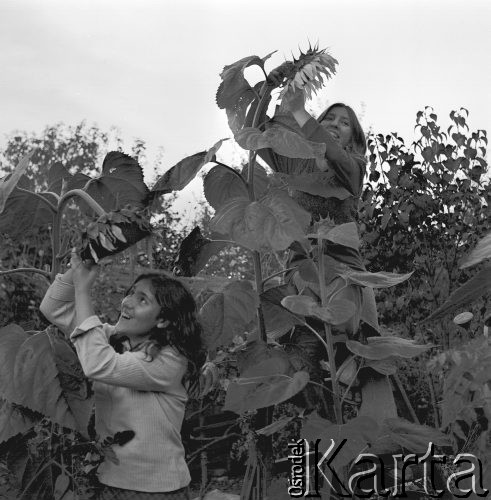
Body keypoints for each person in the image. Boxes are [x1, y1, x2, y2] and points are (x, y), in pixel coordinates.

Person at [40, 251, 206, 499]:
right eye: (130, 293)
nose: (127, 302)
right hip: (110, 481)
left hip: (156, 490)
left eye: (142, 300)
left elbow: (98, 363)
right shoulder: (111, 340)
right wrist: (77, 271)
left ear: (162, 320)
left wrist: (83, 292)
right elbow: (52, 308)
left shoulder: (170, 361)